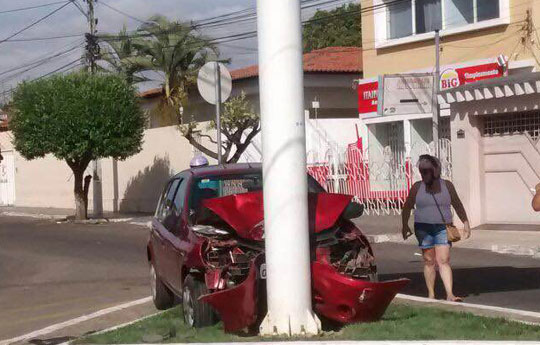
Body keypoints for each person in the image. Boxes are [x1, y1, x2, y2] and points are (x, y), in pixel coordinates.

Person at [401, 154, 470, 302]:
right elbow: (407, 207)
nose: (424, 174)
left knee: (443, 259)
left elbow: (457, 203)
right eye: (422, 171)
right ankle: (431, 294)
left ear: (436, 171)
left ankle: (450, 294)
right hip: (423, 228)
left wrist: (465, 222)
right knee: (429, 260)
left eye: (427, 171)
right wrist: (404, 225)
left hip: (442, 228)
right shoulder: (417, 187)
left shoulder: (447, 185)